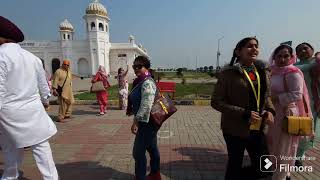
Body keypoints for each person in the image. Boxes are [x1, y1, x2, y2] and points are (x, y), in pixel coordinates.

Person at [0, 16, 58, 180]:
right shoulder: (32, 58)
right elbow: (44, 87)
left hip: (9, 115)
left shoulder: (1, 57)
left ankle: (10, 177)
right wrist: (45, 102)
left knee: (11, 151)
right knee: (42, 151)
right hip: (34, 112)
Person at [211, 37, 275, 180]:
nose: (254, 49)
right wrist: (244, 114)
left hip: (258, 127)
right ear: (238, 51)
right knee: (235, 166)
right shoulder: (228, 74)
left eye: (256, 46)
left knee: (265, 166)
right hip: (235, 129)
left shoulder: (263, 71)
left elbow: (267, 96)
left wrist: (270, 110)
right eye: (249, 46)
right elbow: (216, 102)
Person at [267, 44, 313, 180]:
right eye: (279, 56)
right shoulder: (272, 71)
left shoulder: (292, 72)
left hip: (287, 113)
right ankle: (275, 172)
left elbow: (297, 94)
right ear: (274, 57)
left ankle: (280, 176)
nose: (282, 59)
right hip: (273, 111)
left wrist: (275, 97)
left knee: (285, 146)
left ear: (292, 57)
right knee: (272, 143)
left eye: (286, 56)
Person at [127, 56, 161, 180]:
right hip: (148, 122)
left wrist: (136, 122)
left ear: (146, 67)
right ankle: (155, 174)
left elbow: (146, 105)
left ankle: (140, 177)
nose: (136, 69)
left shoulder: (147, 82)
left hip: (147, 123)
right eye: (134, 66)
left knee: (138, 152)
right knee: (152, 147)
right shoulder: (140, 81)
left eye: (139, 66)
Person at [294, 42, 320, 166]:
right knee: (296, 129)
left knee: (308, 132)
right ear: (297, 54)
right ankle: (294, 155)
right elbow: (297, 70)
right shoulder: (294, 66)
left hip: (313, 103)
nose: (303, 51)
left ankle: (299, 155)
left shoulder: (317, 63)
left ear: (312, 49)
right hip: (297, 103)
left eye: (306, 48)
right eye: (299, 50)